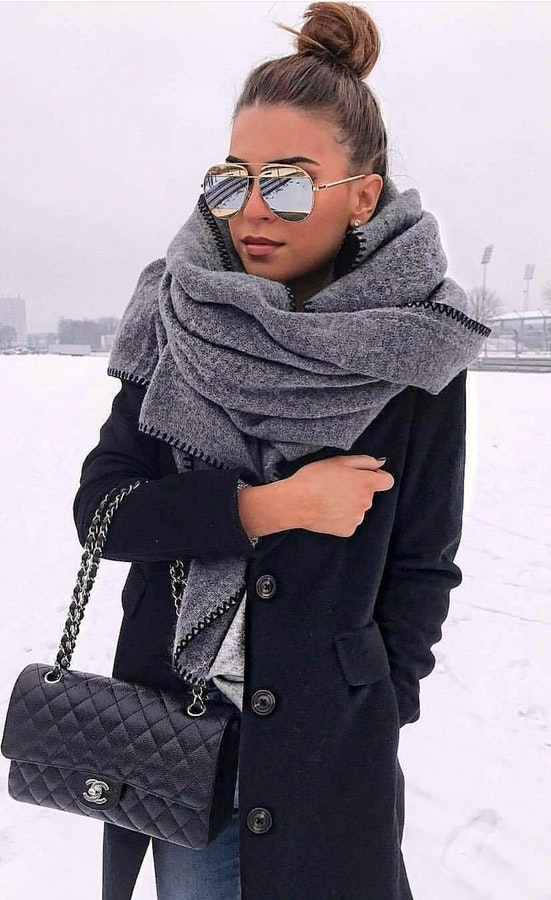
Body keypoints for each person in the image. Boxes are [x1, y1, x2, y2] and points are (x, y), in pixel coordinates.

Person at [72, 3, 490, 899]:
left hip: (326, 756)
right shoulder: (176, 316)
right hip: (180, 746)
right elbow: (102, 513)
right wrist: (268, 508)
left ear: (363, 194)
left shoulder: (421, 345)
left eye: (292, 184)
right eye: (234, 181)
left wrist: (372, 702)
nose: (253, 212)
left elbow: (422, 562)